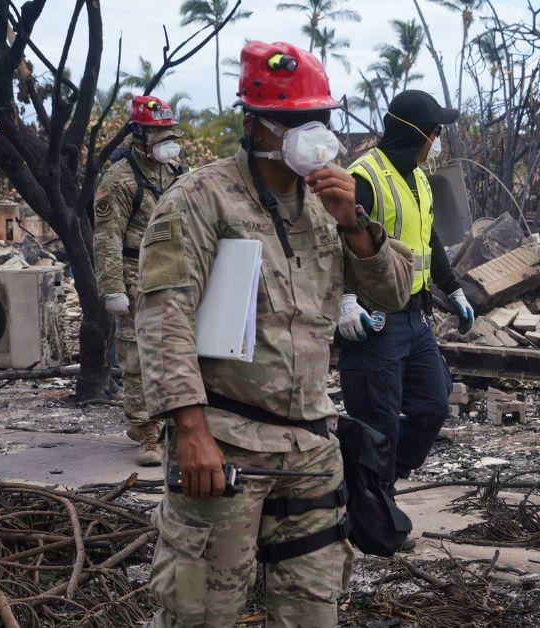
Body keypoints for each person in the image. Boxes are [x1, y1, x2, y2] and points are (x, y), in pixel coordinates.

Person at [135, 41, 413, 627]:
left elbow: (393, 291)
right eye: (293, 121)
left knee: (312, 613)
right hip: (225, 447)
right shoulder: (198, 199)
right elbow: (165, 318)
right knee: (201, 611)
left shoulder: (327, 205)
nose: (311, 133)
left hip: (311, 449)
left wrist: (356, 225)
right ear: (254, 126)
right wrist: (189, 428)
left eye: (320, 120)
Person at [337, 89, 473, 495]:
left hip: (414, 317)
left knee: (433, 404)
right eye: (435, 132)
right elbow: (333, 244)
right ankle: (375, 507)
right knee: (377, 422)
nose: (437, 141)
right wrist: (343, 301)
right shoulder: (363, 177)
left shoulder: (419, 180)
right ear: (418, 134)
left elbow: (427, 239)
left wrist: (455, 290)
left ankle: (372, 485)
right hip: (373, 319)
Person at [93, 94, 186, 466]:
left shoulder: (176, 170)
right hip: (134, 274)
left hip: (175, 271)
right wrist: (113, 288)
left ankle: (171, 425)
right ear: (139, 133)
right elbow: (107, 237)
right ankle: (146, 431)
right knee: (138, 358)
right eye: (159, 133)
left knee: (176, 351)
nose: (166, 139)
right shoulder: (118, 178)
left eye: (169, 132)